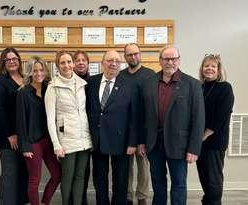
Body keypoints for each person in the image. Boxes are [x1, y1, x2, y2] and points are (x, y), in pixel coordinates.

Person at [141, 46, 205, 205]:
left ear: (179, 60)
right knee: (157, 181)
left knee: (179, 184)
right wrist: (141, 141)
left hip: (180, 145)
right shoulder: (148, 83)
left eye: (174, 59)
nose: (170, 62)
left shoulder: (193, 85)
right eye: (166, 59)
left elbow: (198, 119)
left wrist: (194, 148)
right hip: (153, 143)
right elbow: (141, 116)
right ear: (160, 61)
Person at [86, 50, 141, 205]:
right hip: (97, 140)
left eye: (117, 60)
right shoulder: (91, 83)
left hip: (122, 141)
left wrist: (132, 142)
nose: (114, 63)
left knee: (121, 180)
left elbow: (134, 116)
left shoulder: (130, 85)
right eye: (110, 60)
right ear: (103, 63)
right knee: (99, 179)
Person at [45, 51, 92, 205]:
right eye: (62, 63)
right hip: (66, 140)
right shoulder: (53, 87)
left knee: (80, 176)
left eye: (69, 62)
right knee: (68, 176)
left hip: (84, 138)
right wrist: (56, 145)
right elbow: (50, 120)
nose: (67, 65)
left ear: (73, 63)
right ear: (57, 66)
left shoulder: (82, 84)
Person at [16, 56, 61, 205]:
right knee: (34, 179)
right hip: (32, 142)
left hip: (48, 140)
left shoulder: (50, 88)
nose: (38, 73)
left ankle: (44, 202)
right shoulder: (23, 93)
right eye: (34, 71)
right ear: (29, 73)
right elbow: (20, 121)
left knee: (57, 174)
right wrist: (25, 146)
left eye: (41, 70)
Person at [0, 47, 28, 205]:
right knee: (10, 172)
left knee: (23, 171)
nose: (12, 62)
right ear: (3, 63)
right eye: (8, 60)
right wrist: (10, 134)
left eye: (15, 59)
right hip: (8, 137)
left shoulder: (26, 79)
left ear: (19, 61)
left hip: (25, 135)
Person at [196, 54, 234, 205]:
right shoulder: (199, 87)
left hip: (215, 142)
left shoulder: (225, 88)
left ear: (218, 70)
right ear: (202, 69)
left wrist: (202, 137)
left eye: (213, 66)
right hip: (199, 142)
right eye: (206, 66)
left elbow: (220, 118)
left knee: (213, 180)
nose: (209, 69)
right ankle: (208, 201)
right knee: (204, 177)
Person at [121, 43, 155, 205]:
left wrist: (143, 137)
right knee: (125, 168)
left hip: (144, 130)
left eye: (135, 54)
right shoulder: (120, 76)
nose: (133, 57)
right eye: (129, 55)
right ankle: (127, 197)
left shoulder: (150, 75)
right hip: (124, 131)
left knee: (143, 167)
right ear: (125, 57)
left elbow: (152, 107)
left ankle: (142, 198)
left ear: (140, 54)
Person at [73, 50, 91, 205]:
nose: (80, 62)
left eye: (83, 60)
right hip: (70, 134)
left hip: (88, 133)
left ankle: (82, 199)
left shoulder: (93, 82)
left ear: (88, 63)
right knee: (71, 172)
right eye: (77, 60)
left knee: (84, 171)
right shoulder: (66, 81)